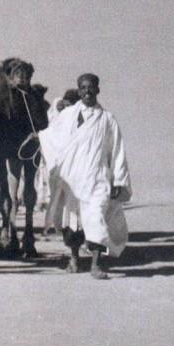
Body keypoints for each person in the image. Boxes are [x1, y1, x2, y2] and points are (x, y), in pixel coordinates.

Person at [39, 73, 132, 279]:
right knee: (73, 222)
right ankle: (74, 260)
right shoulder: (68, 115)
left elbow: (117, 151)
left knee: (96, 218)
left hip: (98, 178)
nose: (87, 91)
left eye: (91, 87)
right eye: (83, 87)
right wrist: (39, 137)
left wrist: (118, 180)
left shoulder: (107, 119)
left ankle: (96, 265)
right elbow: (52, 135)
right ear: (79, 90)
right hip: (72, 179)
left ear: (97, 89)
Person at [40, 88, 80, 232]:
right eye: (65, 105)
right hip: (57, 164)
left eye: (69, 105)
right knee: (57, 197)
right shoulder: (60, 116)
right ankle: (58, 226)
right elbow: (51, 131)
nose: (66, 108)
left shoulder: (80, 117)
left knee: (73, 198)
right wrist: (40, 136)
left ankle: (72, 228)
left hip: (75, 165)